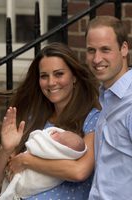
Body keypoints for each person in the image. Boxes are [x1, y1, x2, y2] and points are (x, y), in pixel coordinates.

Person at [0, 42, 100, 200]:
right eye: (44, 76)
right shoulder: (34, 119)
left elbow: (79, 172)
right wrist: (5, 150)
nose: (51, 82)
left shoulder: (92, 118)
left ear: (74, 77)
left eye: (59, 74)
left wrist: (27, 161)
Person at [85, 15, 132, 200]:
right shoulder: (104, 96)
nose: (97, 59)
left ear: (124, 49)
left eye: (105, 49)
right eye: (91, 50)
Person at [0, 127, 87, 200]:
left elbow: (79, 173)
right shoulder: (32, 116)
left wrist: (25, 160)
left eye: (58, 136)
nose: (55, 133)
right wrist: (5, 150)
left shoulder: (92, 120)